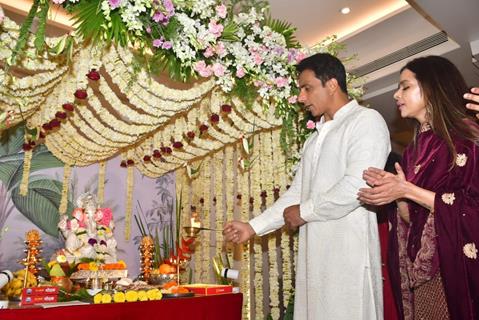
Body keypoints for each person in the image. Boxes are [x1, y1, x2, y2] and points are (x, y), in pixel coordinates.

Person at [223, 53, 391, 319]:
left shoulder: (365, 121)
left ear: (332, 84)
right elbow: (296, 194)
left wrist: (306, 211)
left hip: (348, 255)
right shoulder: (313, 141)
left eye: (307, 88)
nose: (301, 98)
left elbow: (358, 185)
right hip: (315, 258)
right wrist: (252, 227)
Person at [358, 56, 479, 320]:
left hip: (454, 269)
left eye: (405, 86)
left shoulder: (467, 136)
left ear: (432, 87)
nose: (395, 94)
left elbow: (471, 208)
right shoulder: (413, 151)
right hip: (423, 274)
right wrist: (397, 195)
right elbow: (415, 222)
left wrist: (408, 190)